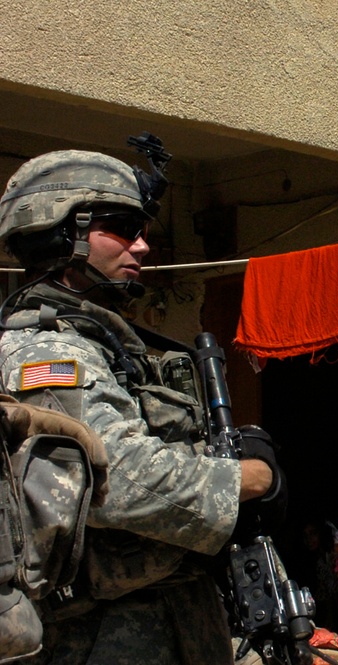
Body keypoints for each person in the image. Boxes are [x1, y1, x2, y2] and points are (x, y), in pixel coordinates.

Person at [0, 145, 284, 664]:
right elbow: (118, 480)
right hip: (106, 633)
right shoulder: (47, 351)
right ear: (64, 231)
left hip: (169, 613)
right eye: (123, 228)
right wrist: (247, 479)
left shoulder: (103, 343)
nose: (143, 246)